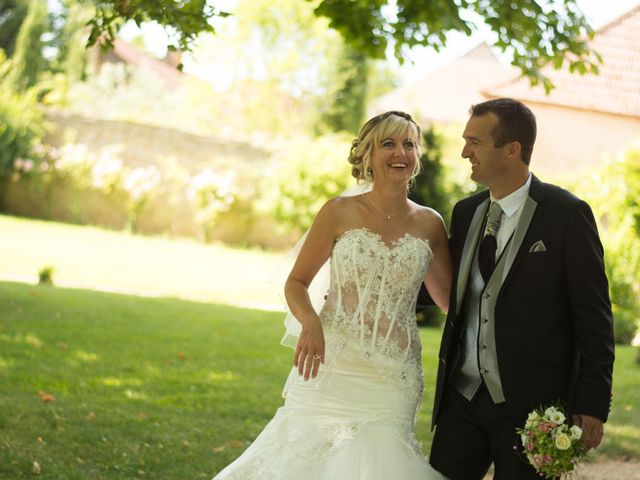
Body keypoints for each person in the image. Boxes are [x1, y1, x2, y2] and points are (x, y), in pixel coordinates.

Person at [212, 111, 452, 479]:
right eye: (388, 143)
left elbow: (450, 301)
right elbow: (296, 282)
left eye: (409, 144)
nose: (399, 152)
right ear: (368, 155)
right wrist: (310, 321)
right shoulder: (339, 211)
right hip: (331, 363)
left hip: (394, 375)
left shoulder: (431, 223)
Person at [429, 98, 615, 480]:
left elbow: (594, 316)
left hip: (532, 406)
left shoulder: (566, 214)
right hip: (462, 399)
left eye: (475, 142)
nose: (465, 152)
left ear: (512, 150)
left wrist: (592, 403)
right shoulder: (466, 213)